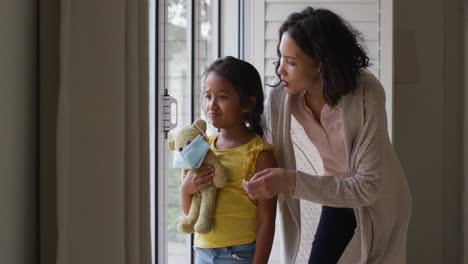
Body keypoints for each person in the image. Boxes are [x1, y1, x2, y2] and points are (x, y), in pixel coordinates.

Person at [241, 7, 412, 264]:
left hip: (380, 199)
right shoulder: (282, 97)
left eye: (291, 62)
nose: (280, 71)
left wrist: (290, 181)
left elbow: (367, 187)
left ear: (320, 63)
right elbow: (255, 139)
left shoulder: (366, 92)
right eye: (280, 58)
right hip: (336, 194)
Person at [180, 56, 278, 264]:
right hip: (202, 253)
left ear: (247, 104)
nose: (212, 105)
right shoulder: (203, 148)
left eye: (222, 97)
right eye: (208, 96)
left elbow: (267, 220)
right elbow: (192, 213)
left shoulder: (260, 154)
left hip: (238, 255)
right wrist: (185, 190)